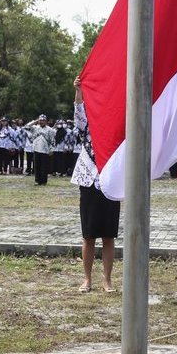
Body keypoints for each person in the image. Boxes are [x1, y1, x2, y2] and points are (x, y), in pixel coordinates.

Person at [71, 76, 120, 293]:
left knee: (108, 236)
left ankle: (107, 280)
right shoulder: (87, 126)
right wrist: (79, 90)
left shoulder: (117, 126)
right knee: (89, 236)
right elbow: (79, 112)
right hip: (88, 180)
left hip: (111, 181)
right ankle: (87, 280)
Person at [24, 115, 56, 186]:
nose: (42, 122)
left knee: (44, 167)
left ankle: (44, 181)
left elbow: (52, 141)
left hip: (45, 150)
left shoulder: (50, 130)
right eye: (40, 120)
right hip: (36, 149)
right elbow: (26, 127)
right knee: (36, 166)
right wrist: (35, 121)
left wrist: (51, 150)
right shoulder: (35, 128)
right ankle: (37, 181)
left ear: (46, 121)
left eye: (43, 120)